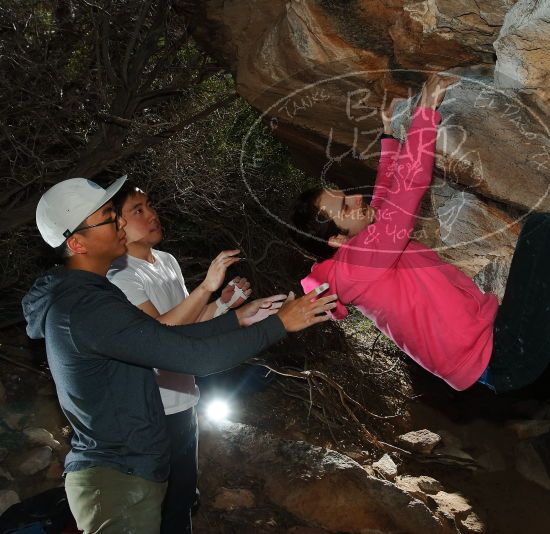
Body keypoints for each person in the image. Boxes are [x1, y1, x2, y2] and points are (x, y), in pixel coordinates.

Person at [291, 74, 550, 412]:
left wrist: (389, 139)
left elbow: (386, 198)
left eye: (345, 195)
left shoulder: (359, 258)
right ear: (338, 240)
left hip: (497, 347)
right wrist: (424, 115)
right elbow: (404, 198)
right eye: (345, 206)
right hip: (500, 351)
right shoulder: (359, 265)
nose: (356, 199)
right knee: (542, 230)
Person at [22, 176, 337, 534]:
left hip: (126, 472)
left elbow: (162, 339)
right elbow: (193, 358)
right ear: (77, 242)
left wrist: (236, 318)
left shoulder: (90, 296)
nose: (121, 222)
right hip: (117, 481)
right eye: (110, 216)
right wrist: (279, 324)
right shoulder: (87, 308)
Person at [107, 183, 249, 533]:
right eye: (137, 210)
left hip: (184, 401)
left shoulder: (166, 261)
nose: (151, 214)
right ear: (117, 225)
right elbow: (158, 337)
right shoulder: (120, 277)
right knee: (155, 506)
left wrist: (224, 303)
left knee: (183, 496)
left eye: (149, 204)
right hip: (150, 411)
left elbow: (189, 324)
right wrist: (206, 287)